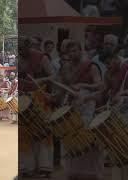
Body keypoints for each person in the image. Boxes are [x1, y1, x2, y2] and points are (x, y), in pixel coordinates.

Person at [63, 40, 103, 180]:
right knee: (72, 135)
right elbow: (66, 83)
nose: (73, 54)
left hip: (89, 103)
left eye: (75, 50)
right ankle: (74, 171)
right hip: (73, 104)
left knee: (87, 135)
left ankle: (91, 172)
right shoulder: (67, 67)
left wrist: (83, 85)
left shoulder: (91, 66)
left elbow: (99, 85)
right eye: (70, 52)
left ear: (81, 51)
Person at [19, 36, 54, 178]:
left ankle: (45, 168)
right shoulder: (18, 59)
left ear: (28, 46)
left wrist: (41, 81)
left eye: (22, 48)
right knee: (25, 134)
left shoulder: (42, 58)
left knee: (43, 133)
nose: (20, 51)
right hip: (24, 99)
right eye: (18, 49)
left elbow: (53, 77)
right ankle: (27, 167)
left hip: (41, 98)